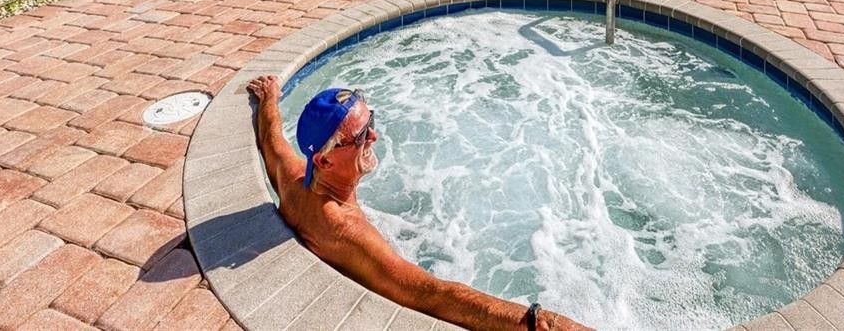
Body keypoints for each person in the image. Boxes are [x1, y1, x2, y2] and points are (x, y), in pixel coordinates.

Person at [247, 76, 592, 331]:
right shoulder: (344, 229)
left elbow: (271, 139)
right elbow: (431, 294)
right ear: (324, 160)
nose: (374, 136)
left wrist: (270, 97)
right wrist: (534, 320)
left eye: (371, 122)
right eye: (362, 135)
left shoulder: (295, 180)